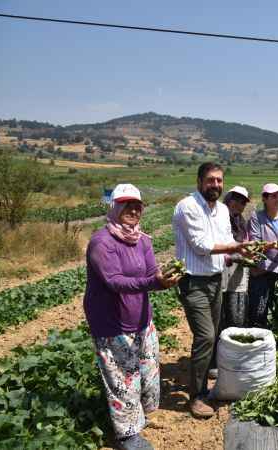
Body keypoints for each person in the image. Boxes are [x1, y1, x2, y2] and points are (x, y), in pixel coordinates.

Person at [84, 183, 180, 450]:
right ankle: (127, 435)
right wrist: (153, 282)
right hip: (112, 322)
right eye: (127, 204)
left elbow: (151, 272)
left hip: (140, 318)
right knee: (122, 378)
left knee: (147, 370)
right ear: (114, 207)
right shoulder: (101, 243)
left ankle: (142, 416)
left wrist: (164, 280)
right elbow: (114, 281)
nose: (134, 210)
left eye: (138, 205)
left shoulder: (143, 240)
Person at [173, 163, 249, 419]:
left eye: (219, 180)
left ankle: (203, 385)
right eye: (210, 180)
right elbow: (200, 245)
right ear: (199, 181)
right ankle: (196, 396)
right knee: (205, 336)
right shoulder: (188, 207)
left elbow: (227, 241)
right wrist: (237, 248)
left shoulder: (223, 210)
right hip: (193, 281)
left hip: (216, 279)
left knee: (213, 335)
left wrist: (240, 250)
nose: (215, 185)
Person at [247, 183, 278, 328]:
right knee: (259, 310)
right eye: (273, 196)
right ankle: (258, 338)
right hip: (262, 271)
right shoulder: (257, 218)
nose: (277, 199)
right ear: (264, 199)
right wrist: (274, 245)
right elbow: (255, 245)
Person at [221, 186, 252, 329]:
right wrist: (233, 256)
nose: (239, 205)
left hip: (237, 274)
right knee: (220, 315)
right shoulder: (218, 219)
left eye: (242, 203)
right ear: (228, 199)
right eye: (236, 200)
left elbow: (245, 244)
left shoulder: (242, 222)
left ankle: (232, 349)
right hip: (221, 274)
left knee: (236, 317)